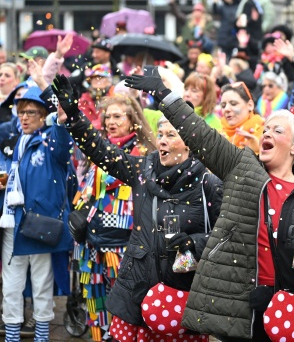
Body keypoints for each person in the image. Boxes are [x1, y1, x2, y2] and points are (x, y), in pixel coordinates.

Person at [120, 68, 294, 342]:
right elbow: (200, 134)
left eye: (277, 130)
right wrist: (164, 94)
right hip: (244, 306)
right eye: (266, 129)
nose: (267, 133)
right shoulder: (241, 166)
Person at [52, 75, 223, 342]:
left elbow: (225, 234)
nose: (163, 140)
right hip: (137, 286)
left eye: (172, 135)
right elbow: (103, 153)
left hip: (183, 292)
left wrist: (194, 243)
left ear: (189, 142)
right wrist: (74, 115)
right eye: (162, 134)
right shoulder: (143, 169)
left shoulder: (208, 181)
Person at [71, 94, 156, 342]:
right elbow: (88, 193)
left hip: (124, 246)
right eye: (107, 117)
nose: (111, 122)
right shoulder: (98, 153)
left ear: (133, 121)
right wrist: (80, 213)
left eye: (118, 116)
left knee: (124, 306)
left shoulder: (143, 155)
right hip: (93, 242)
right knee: (96, 306)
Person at [0, 87, 74, 342]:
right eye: (21, 112)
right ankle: (11, 336)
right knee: (11, 285)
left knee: (42, 284)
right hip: (12, 223)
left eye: (31, 112)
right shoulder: (12, 143)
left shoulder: (50, 140)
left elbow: (64, 150)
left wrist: (62, 124)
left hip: (41, 226)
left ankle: (42, 337)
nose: (25, 117)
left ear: (43, 115)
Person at [220, 82, 264, 154]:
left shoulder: (264, 134)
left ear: (250, 105)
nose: (226, 109)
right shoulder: (217, 135)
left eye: (233, 103)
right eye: (223, 105)